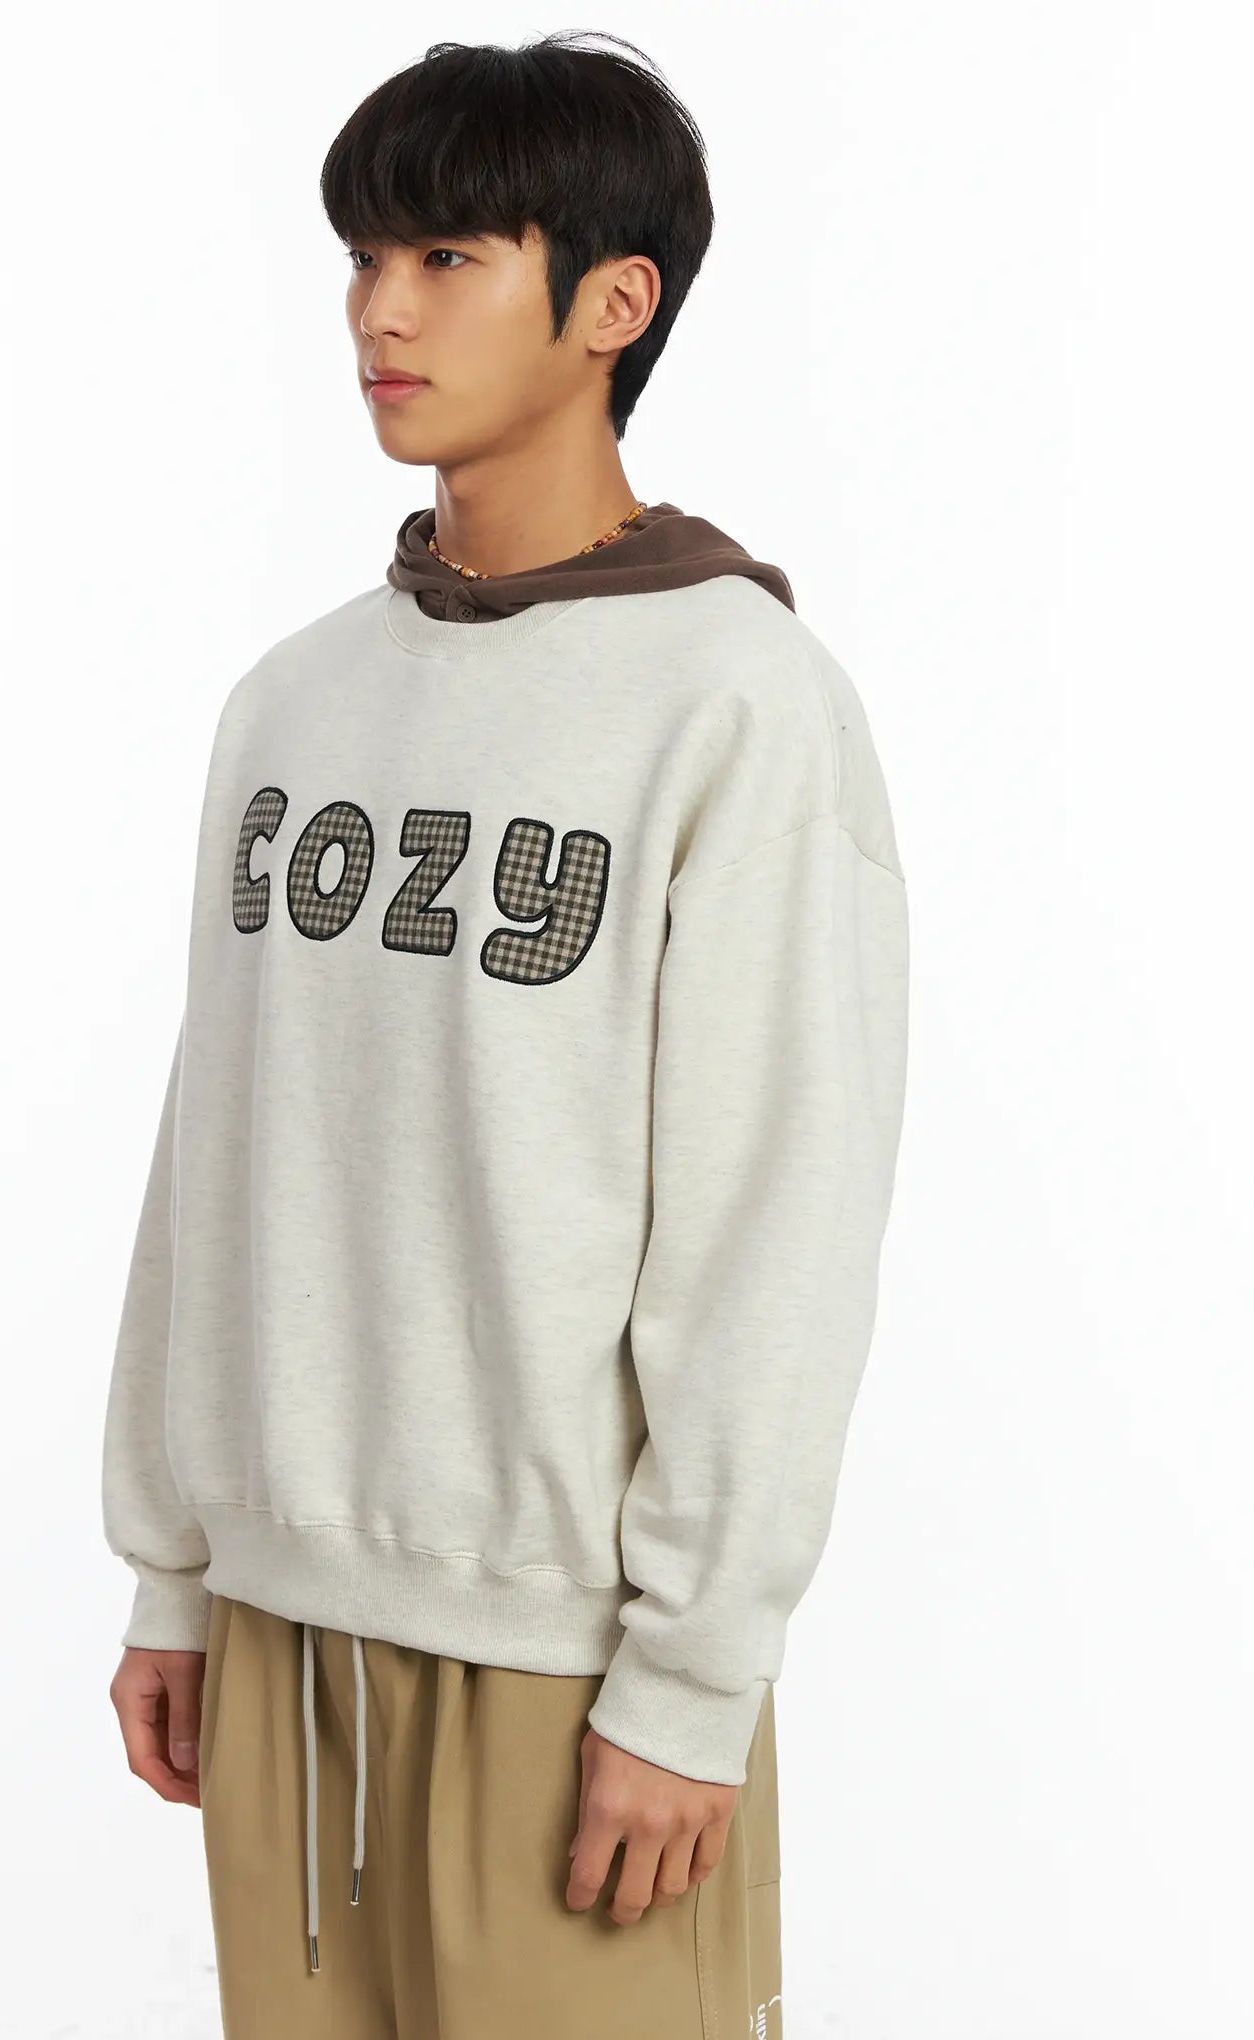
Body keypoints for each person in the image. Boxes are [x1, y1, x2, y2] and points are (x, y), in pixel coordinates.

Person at [101, 31, 909, 2040]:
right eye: (364, 259)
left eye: (447, 258)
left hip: (569, 1666)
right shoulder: (292, 702)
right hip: (280, 1634)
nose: (380, 312)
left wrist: (692, 1679)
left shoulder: (736, 703)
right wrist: (177, 1570)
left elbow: (775, 1216)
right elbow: (218, 1147)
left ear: (614, 302)